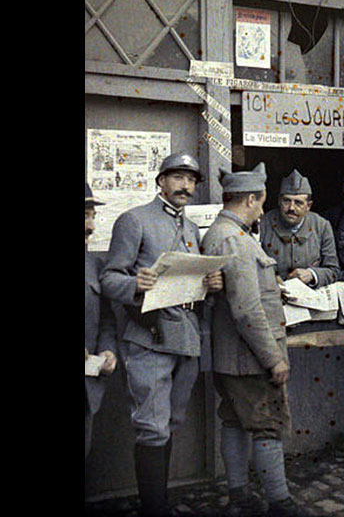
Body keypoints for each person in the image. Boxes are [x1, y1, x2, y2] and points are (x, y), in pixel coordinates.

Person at [100, 152, 224, 517]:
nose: (185, 185)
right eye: (178, 177)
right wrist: (135, 283)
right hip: (148, 337)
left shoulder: (190, 229)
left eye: (191, 180)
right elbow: (110, 278)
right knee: (152, 428)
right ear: (161, 181)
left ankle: (159, 503)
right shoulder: (135, 220)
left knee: (170, 424)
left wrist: (210, 284)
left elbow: (189, 284)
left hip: (185, 338)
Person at [201, 162, 302, 517]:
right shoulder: (236, 240)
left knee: (233, 420)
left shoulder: (217, 233)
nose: (263, 210)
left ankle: (239, 498)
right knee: (266, 426)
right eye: (260, 203)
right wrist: (273, 358)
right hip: (250, 359)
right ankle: (279, 502)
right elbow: (246, 310)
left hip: (228, 357)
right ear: (250, 199)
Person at [260, 169, 340, 288]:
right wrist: (269, 278)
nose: (291, 208)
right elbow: (250, 265)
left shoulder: (322, 226)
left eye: (298, 203)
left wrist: (312, 274)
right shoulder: (263, 224)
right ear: (279, 201)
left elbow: (334, 271)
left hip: (309, 296)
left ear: (308, 206)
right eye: (286, 201)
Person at [85, 182, 117, 460]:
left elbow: (106, 319)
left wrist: (108, 350)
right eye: (84, 216)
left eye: (91, 216)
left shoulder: (93, 266)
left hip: (88, 388)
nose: (90, 227)